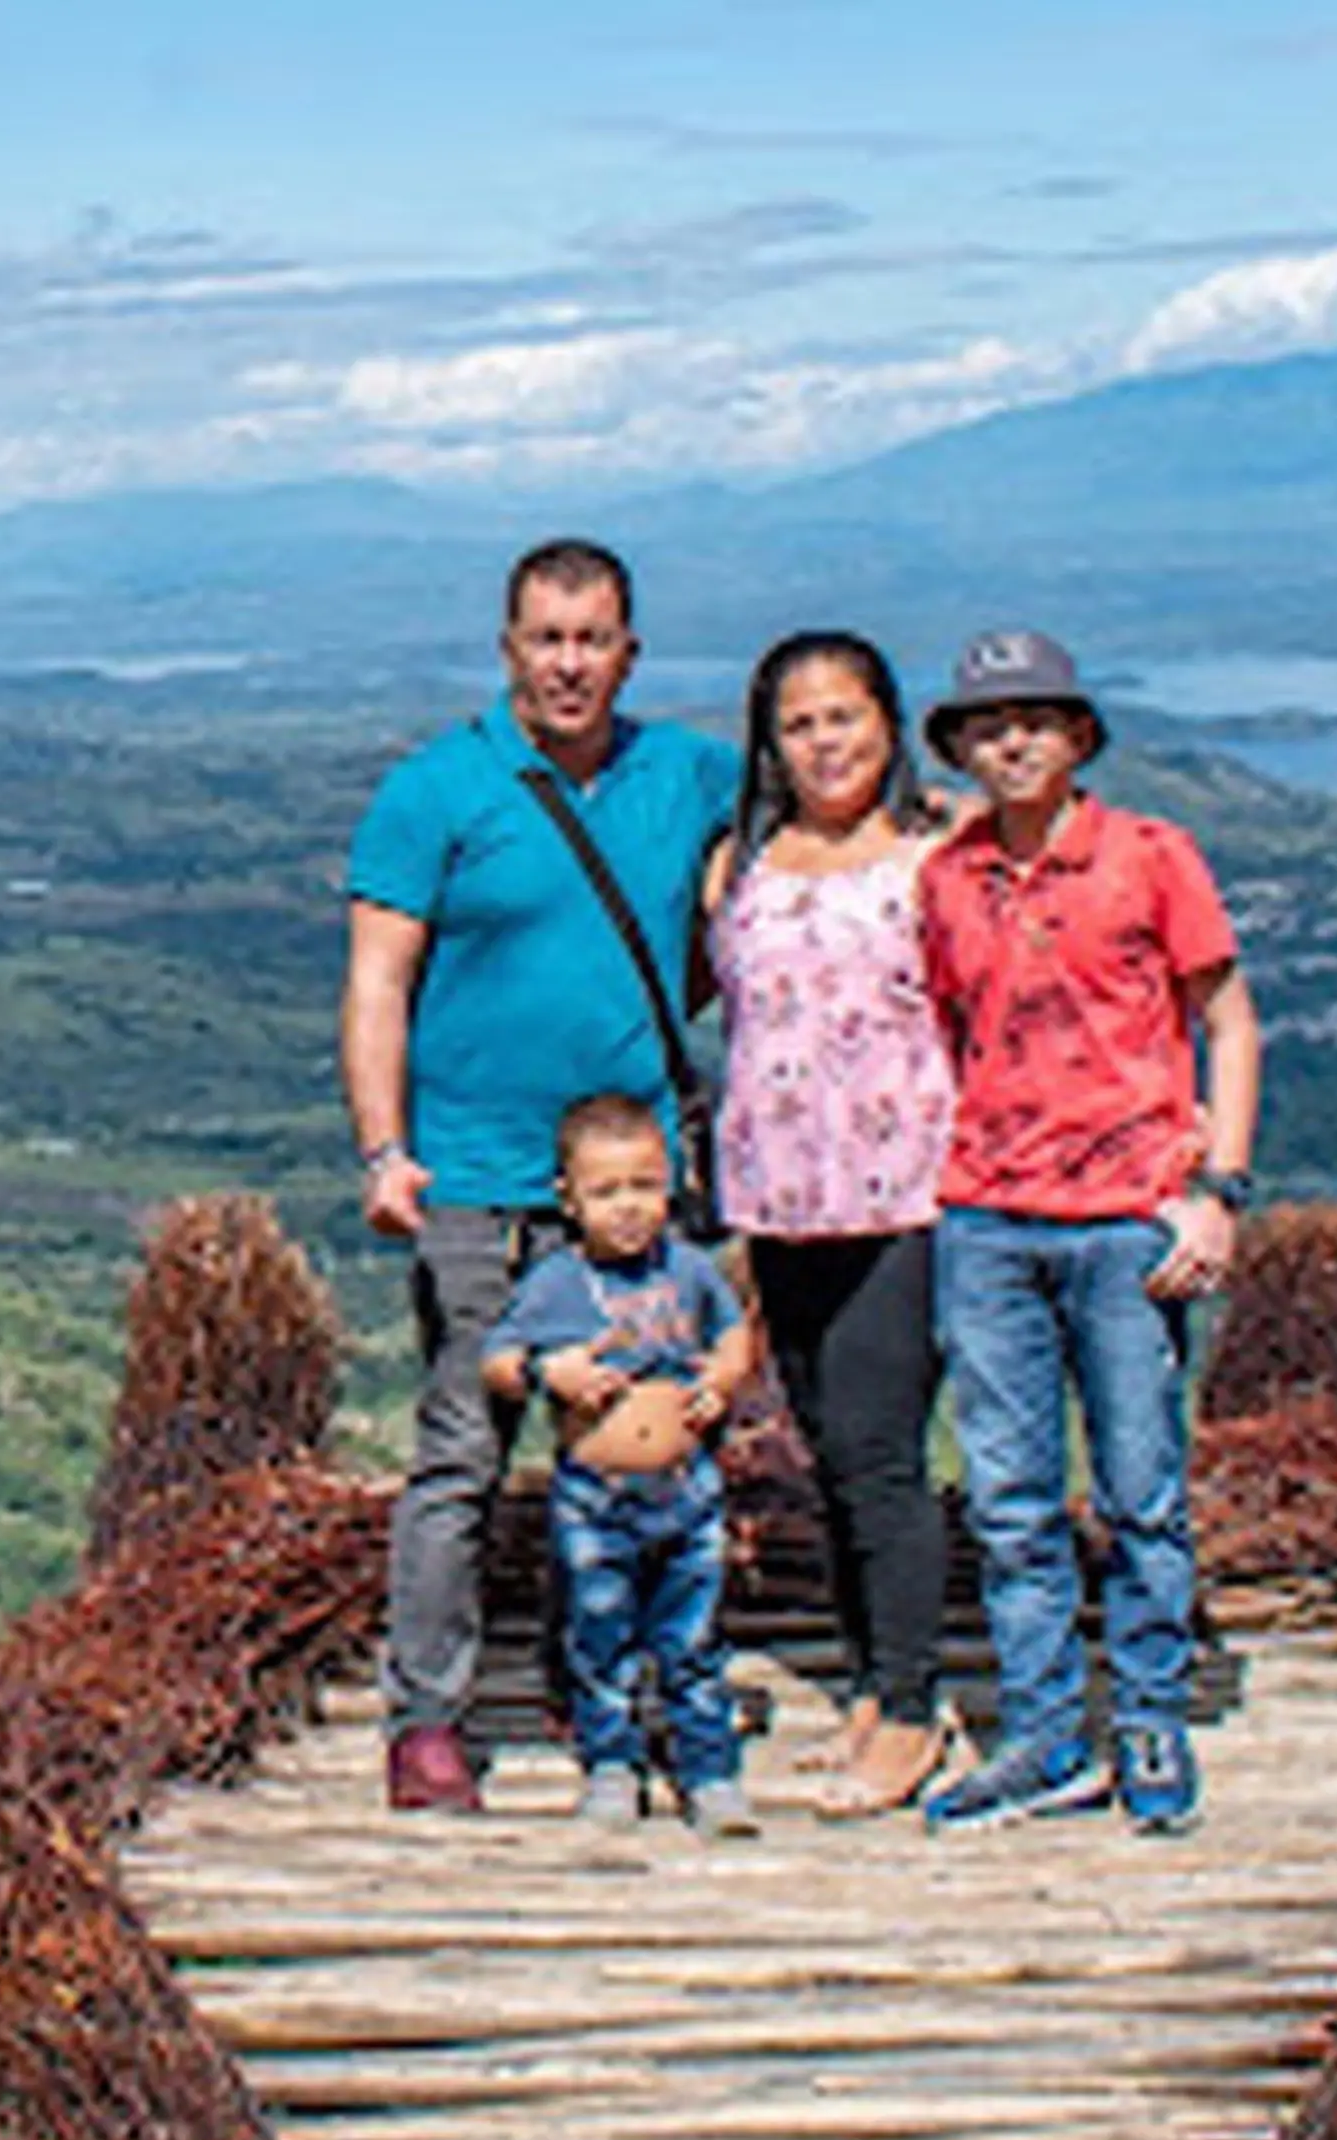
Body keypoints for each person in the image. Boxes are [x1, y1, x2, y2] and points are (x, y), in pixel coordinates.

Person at [341, 538, 740, 1813]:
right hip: (473, 1180)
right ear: (507, 647)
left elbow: (840, 797)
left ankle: (601, 1682)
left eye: (593, 639)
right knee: (464, 1451)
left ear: (630, 649)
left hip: (629, 1187)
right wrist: (384, 1148)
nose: (569, 663)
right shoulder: (434, 790)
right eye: (546, 639)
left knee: (631, 1436)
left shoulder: (685, 771)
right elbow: (377, 982)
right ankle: (428, 1720)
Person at [904, 629, 1261, 1839]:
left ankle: (1149, 1716)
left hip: (1125, 1220)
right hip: (988, 1218)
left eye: (1036, 720)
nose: (1011, 741)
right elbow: (953, 1036)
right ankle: (1049, 1735)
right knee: (1007, 1499)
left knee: (1140, 1490)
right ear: (958, 746)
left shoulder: (1153, 859)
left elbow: (1229, 1020)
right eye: (986, 724)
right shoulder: (946, 878)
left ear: (1079, 738)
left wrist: (1219, 1187)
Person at [700, 630, 958, 1818]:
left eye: (843, 716)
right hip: (776, 1203)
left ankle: (909, 1711)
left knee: (877, 1455)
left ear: (888, 722)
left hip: (902, 1195)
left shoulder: (934, 856)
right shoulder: (742, 864)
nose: (823, 742)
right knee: (828, 1459)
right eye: (798, 724)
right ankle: (869, 1691)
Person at [480, 1093, 765, 1834]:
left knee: (693, 1637)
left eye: (644, 1186)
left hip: (685, 1488)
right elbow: (498, 1362)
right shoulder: (555, 1283)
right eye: (606, 1193)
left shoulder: (692, 1270)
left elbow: (734, 1335)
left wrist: (722, 1381)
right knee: (599, 1633)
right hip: (595, 1495)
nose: (629, 1208)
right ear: (568, 1199)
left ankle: (709, 1770)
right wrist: (554, 1373)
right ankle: (612, 1763)